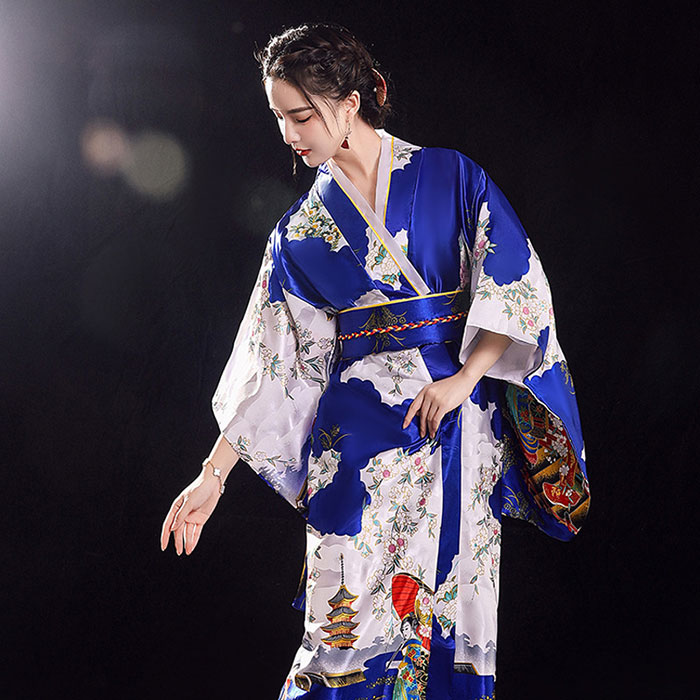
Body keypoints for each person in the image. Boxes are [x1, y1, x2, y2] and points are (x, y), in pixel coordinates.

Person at [160, 22, 589, 700]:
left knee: (450, 621)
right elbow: (277, 365)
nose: (289, 134)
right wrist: (213, 476)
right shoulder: (299, 235)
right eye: (279, 117)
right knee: (340, 640)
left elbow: (515, 290)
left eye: (301, 115)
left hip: (454, 427)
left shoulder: (452, 176)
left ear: (350, 103)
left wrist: (463, 381)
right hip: (356, 445)